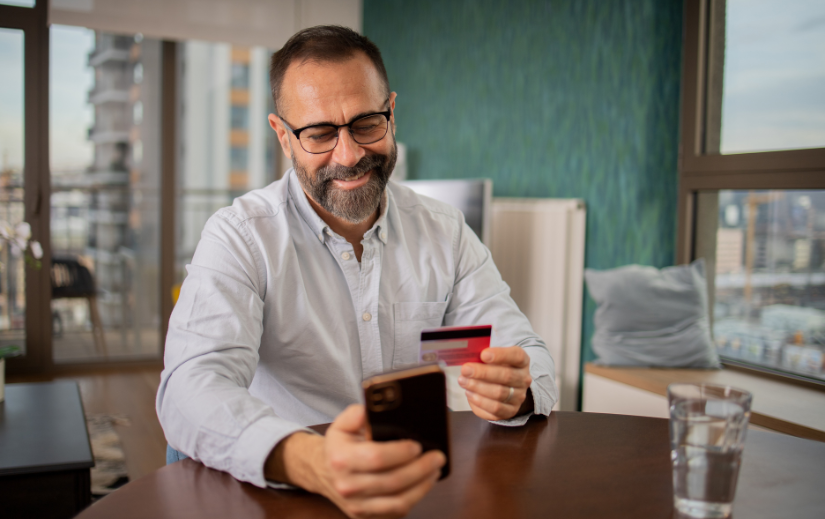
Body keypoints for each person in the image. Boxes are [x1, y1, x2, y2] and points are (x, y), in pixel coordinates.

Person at [157, 25, 558, 519]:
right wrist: (309, 459)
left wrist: (514, 390)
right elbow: (189, 388)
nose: (349, 156)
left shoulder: (444, 230)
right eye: (320, 133)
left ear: (392, 112)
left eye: (367, 123)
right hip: (281, 494)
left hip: (413, 487)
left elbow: (526, 355)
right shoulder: (240, 236)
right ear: (283, 137)